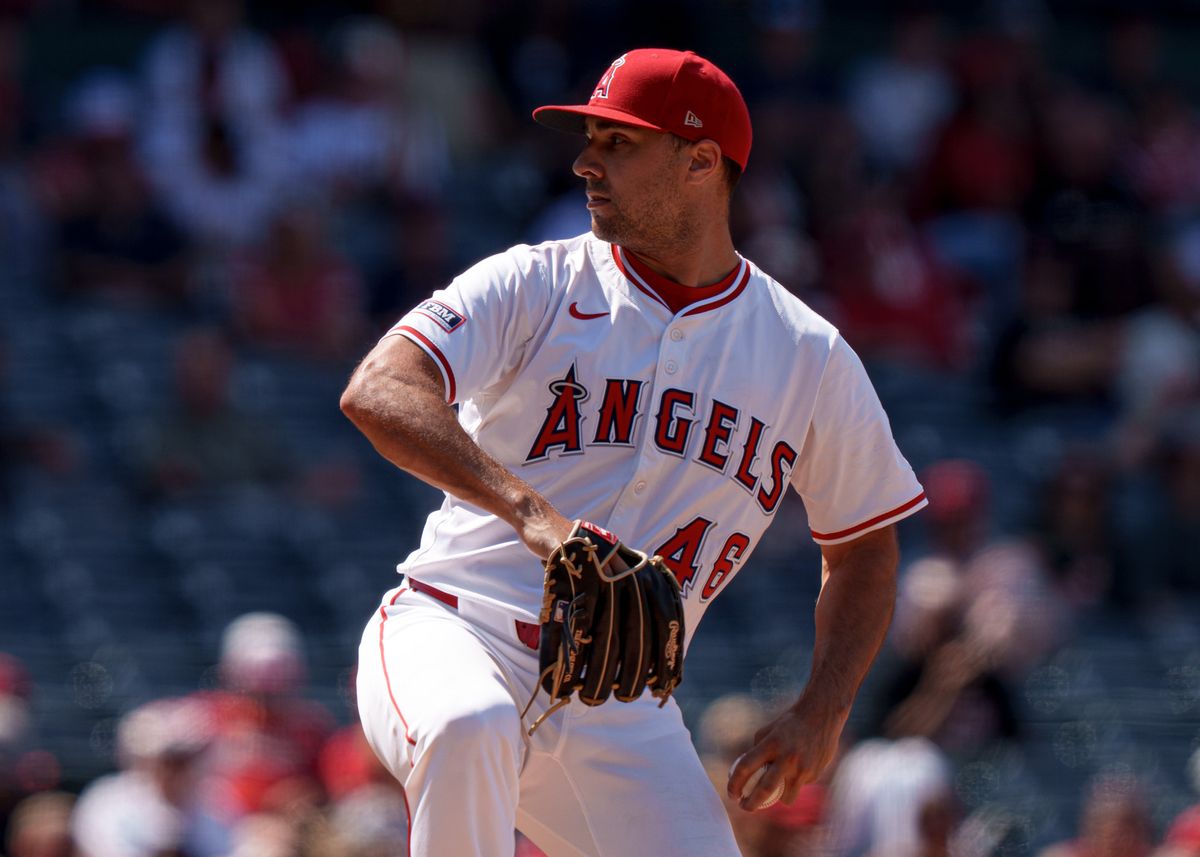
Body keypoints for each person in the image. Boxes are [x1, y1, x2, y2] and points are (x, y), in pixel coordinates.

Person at [341, 48, 927, 857]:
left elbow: (865, 549)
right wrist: (533, 515)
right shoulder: (536, 282)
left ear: (700, 162)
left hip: (619, 701)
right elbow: (379, 388)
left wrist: (823, 706)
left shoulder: (807, 356)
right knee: (466, 724)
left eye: (619, 142)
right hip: (455, 629)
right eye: (589, 138)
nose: (585, 161)